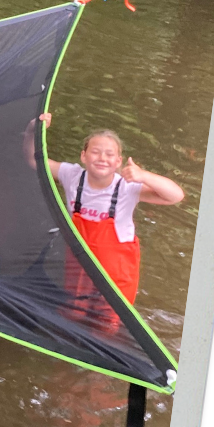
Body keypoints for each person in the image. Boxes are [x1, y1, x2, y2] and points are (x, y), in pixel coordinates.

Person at [38, 114, 184, 317]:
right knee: (73, 315)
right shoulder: (71, 176)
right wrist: (36, 129)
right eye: (95, 152)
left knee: (107, 324)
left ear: (118, 162)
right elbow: (33, 160)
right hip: (80, 265)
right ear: (83, 156)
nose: (102, 158)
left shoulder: (127, 187)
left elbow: (175, 196)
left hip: (117, 272)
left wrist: (144, 176)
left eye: (109, 154)